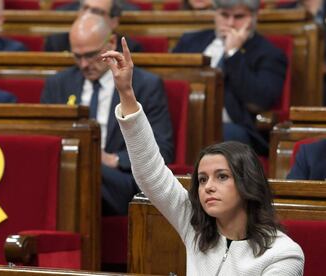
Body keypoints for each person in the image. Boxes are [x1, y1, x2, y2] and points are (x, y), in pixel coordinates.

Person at [101, 37, 304, 275]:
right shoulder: (196, 227)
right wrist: (126, 93)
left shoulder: (283, 254)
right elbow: (150, 172)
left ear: (247, 182)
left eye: (221, 177)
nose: (208, 187)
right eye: (202, 179)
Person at [41, 14, 174, 215]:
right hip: (68, 170)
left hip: (119, 179)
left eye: (91, 55)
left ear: (111, 42)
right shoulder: (58, 84)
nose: (84, 64)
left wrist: (114, 159)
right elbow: (45, 139)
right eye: (77, 56)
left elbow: (163, 150)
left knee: (83, 168)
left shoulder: (144, 85)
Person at [173, 0, 287, 155]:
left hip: (233, 127)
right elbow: (172, 83)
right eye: (224, 15)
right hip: (186, 118)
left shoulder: (269, 53)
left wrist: (233, 53)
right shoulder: (189, 41)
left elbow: (260, 99)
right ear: (215, 14)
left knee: (224, 134)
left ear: (254, 17)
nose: (230, 23)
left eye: (239, 16)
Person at [45, 0, 143, 53]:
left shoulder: (130, 49)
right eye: (85, 9)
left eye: (97, 12)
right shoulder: (56, 44)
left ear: (114, 22)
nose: (88, 15)